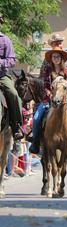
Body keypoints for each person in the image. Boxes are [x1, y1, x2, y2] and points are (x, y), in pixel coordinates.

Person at [29, 47, 67, 153]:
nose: (56, 58)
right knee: (36, 119)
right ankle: (35, 142)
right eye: (54, 56)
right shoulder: (47, 71)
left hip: (66, 101)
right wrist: (49, 93)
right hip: (49, 101)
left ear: (61, 58)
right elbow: (45, 85)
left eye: (58, 56)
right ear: (51, 58)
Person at [0, 14, 23, 142]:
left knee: (14, 94)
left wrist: (0, 63)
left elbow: (11, 60)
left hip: (1, 76)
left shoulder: (5, 40)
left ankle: (16, 127)